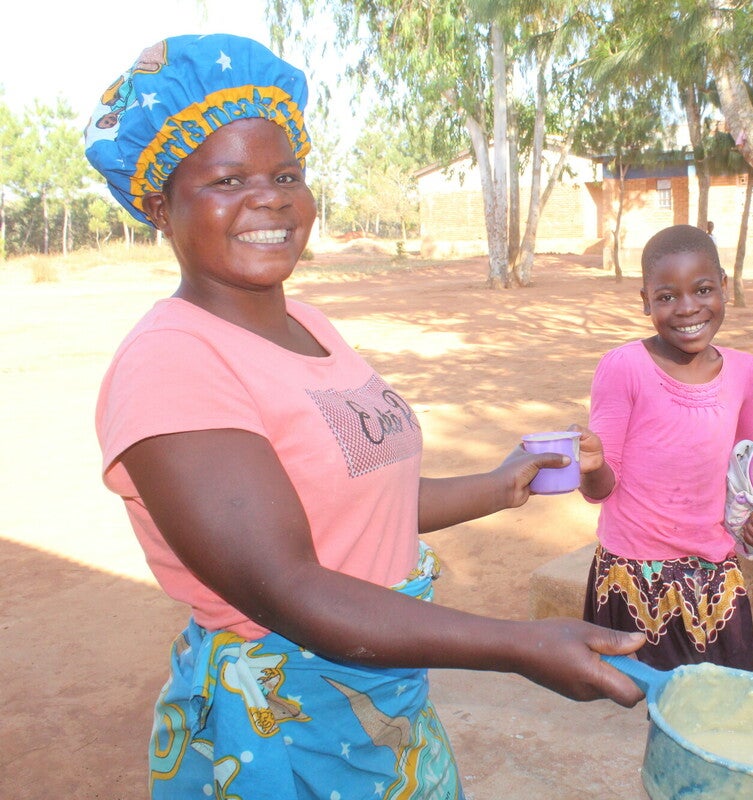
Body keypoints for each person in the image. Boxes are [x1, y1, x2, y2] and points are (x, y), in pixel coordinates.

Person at [85, 34, 644, 800]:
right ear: (159, 204)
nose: (272, 196)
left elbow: (358, 496)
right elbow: (289, 587)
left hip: (382, 693)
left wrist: (501, 481)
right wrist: (520, 645)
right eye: (228, 179)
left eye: (288, 173)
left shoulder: (310, 322)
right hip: (288, 719)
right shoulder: (172, 363)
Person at [575, 224, 753, 670]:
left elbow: (752, 469)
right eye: (666, 297)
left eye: (701, 290)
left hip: (715, 576)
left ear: (723, 287)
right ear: (645, 302)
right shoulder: (624, 368)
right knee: (658, 705)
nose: (687, 308)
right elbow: (600, 490)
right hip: (637, 576)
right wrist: (593, 465)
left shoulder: (744, 372)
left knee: (720, 704)